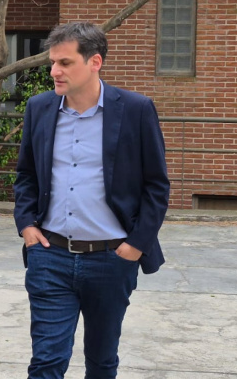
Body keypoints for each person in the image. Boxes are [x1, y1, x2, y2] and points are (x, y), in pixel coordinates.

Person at [13, 22, 169, 379]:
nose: (54, 71)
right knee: (47, 361)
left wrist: (136, 245)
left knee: (101, 360)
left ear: (94, 62)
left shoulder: (135, 110)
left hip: (111, 259)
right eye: (53, 62)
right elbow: (26, 175)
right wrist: (26, 225)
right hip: (50, 255)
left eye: (65, 63)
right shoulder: (39, 108)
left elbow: (156, 185)